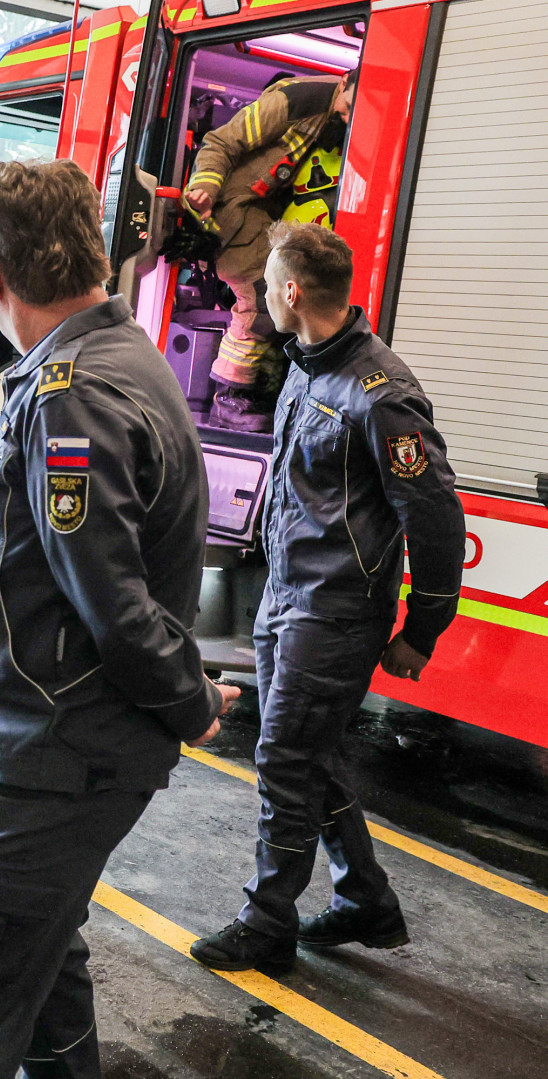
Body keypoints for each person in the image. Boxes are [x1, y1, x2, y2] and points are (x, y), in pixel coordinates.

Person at [0, 161, 238, 1079]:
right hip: (58, 746)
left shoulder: (75, 393)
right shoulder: (116, 360)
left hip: (57, 754)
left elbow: (112, 600)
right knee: (43, 968)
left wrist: (191, 700)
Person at [189, 223, 466, 973]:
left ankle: (265, 919)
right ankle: (365, 903)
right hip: (288, 601)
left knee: (284, 758)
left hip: (337, 612)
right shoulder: (309, 368)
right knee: (314, 757)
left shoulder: (381, 395)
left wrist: (423, 630)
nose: (260, 299)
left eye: (266, 286)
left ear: (291, 292)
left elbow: (436, 519)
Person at [184, 68, 357, 432]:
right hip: (235, 216)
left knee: (285, 301)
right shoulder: (294, 100)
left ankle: (254, 395)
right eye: (345, 108)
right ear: (343, 82)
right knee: (262, 301)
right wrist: (205, 188)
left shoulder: (341, 113)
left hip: (268, 216)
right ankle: (232, 398)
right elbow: (220, 142)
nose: (346, 118)